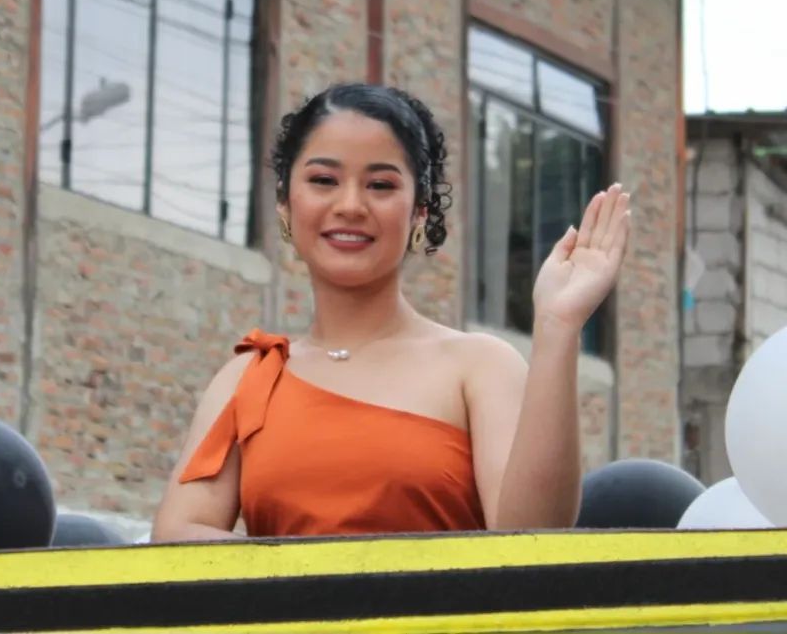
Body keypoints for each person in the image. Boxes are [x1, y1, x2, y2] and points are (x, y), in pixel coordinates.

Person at [152, 83, 630, 541]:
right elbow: (177, 535)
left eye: (380, 185)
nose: (350, 205)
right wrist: (314, 577)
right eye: (323, 181)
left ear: (419, 210)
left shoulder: (479, 366)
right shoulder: (248, 380)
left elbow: (532, 536)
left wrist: (558, 326)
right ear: (284, 202)